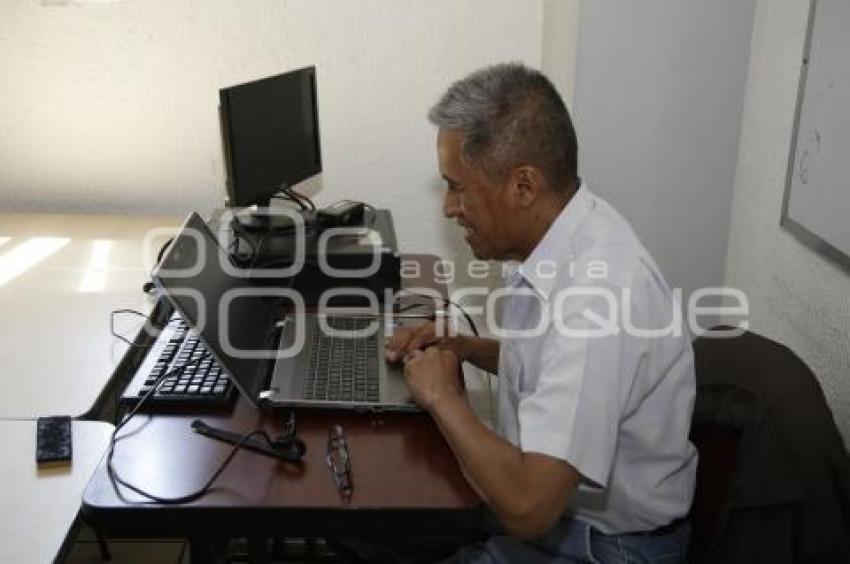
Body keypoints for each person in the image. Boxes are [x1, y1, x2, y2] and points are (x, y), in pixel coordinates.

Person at [386, 63, 698, 563]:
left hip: (598, 547)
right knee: (380, 527)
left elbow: (529, 508)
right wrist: (467, 348)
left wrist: (443, 396)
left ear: (523, 186)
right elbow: (550, 361)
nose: (449, 207)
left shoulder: (599, 300)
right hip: (561, 525)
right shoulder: (564, 234)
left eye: (458, 186)